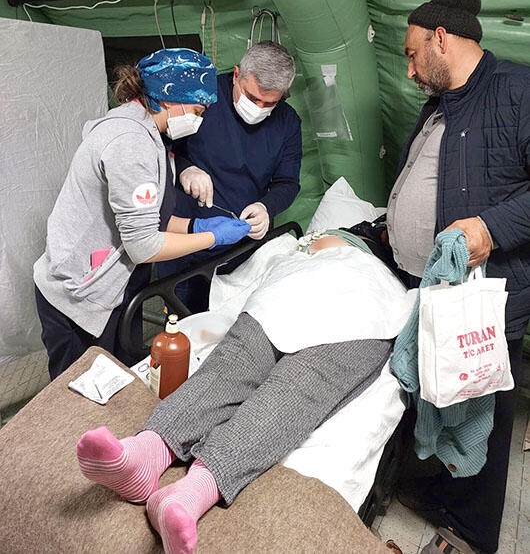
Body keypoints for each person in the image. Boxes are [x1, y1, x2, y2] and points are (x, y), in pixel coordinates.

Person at [76, 229, 411, 554]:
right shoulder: (350, 235)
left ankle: (186, 494)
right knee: (235, 364)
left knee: (290, 393)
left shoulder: (403, 274)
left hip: (370, 302)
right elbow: (308, 247)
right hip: (307, 281)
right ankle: (145, 453)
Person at [385, 0, 529, 554]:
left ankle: (469, 534)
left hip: (488, 296)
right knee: (440, 395)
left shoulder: (517, 90)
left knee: (481, 411)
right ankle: (440, 492)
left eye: (411, 54)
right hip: (432, 288)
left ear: (440, 39)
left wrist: (492, 228)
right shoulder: (442, 104)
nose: (409, 69)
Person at [34, 48, 251, 380]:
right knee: (79, 393)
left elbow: (148, 220)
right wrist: (212, 238)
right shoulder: (130, 142)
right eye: (197, 110)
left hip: (118, 283)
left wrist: (195, 225)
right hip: (80, 293)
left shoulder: (148, 131)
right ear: (170, 98)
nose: (200, 120)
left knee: (120, 380)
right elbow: (144, 246)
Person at [157, 40, 302, 311]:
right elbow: (161, 146)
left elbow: (288, 182)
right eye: (252, 97)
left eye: (270, 103)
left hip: (241, 249)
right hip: (186, 240)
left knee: (230, 322)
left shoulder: (288, 122)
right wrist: (185, 168)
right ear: (237, 75)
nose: (259, 107)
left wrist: (266, 207)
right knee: (183, 321)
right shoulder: (201, 95)